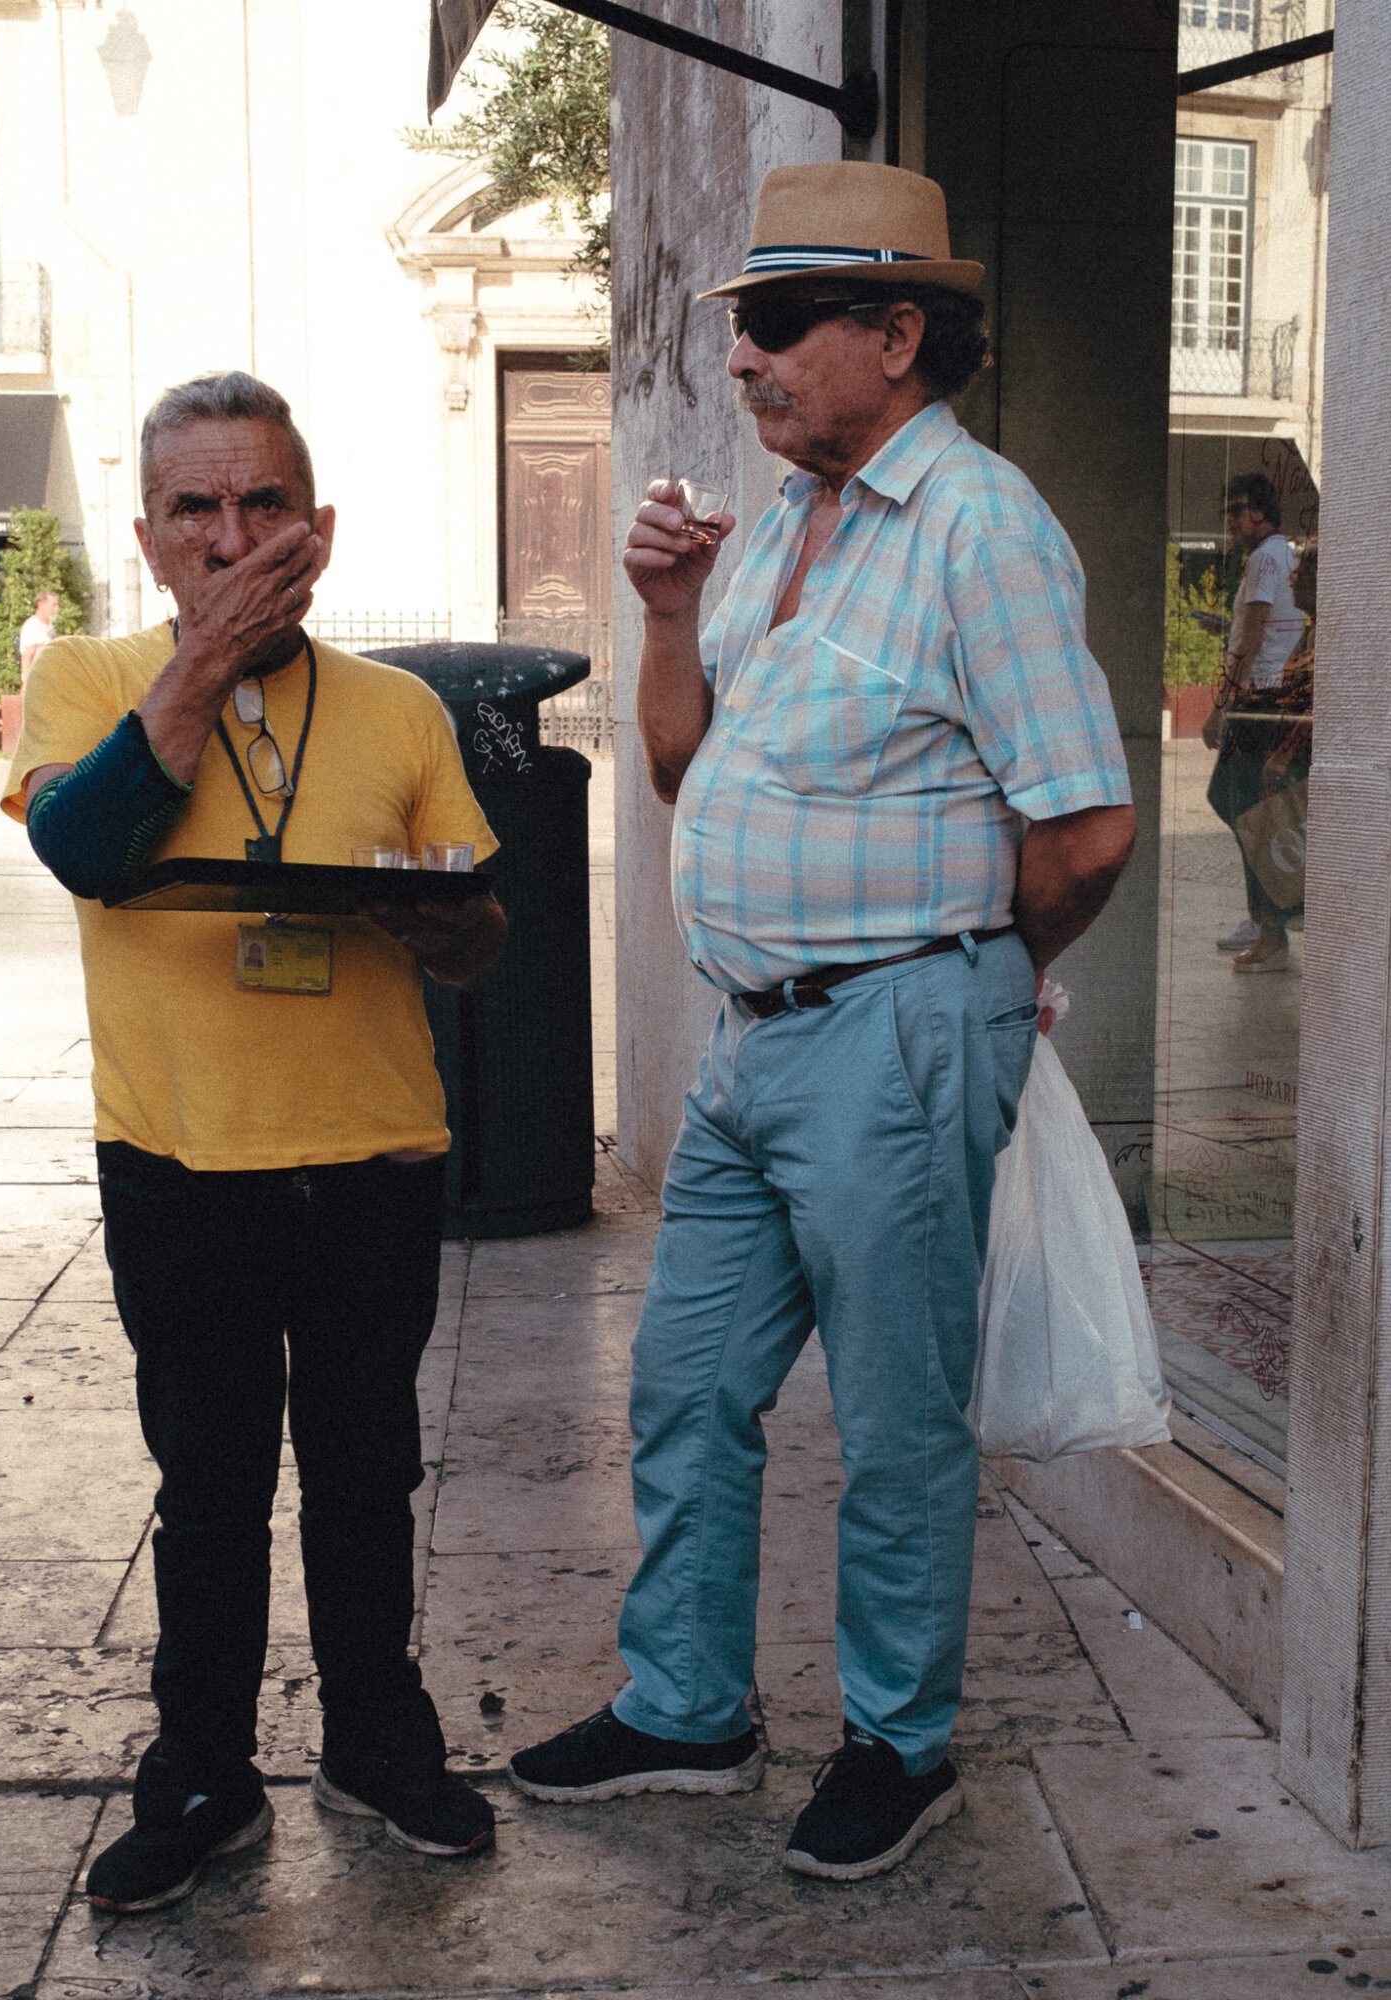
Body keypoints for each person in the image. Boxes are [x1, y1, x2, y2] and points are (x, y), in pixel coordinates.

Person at [508, 162, 1136, 1882]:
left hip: (893, 1033)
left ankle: (899, 1743)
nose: (750, 361)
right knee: (686, 1383)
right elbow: (678, 764)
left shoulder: (983, 530)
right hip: (751, 1042)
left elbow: (1086, 829)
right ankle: (688, 1706)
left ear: (898, 331)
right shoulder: (781, 519)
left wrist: (965, 989)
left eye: (782, 326)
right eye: (743, 327)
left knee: (894, 1418)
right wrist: (658, 614)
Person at [0, 372, 508, 1913]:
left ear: (320, 526)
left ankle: (377, 1739)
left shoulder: (402, 710)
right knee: (209, 1487)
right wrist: (205, 667)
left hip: (373, 1158)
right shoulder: (90, 680)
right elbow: (83, 847)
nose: (233, 536)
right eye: (197, 512)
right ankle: (203, 1774)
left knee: (367, 1471)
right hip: (180, 1160)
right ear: (150, 538)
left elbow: (482, 940)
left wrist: (444, 920)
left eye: (263, 504)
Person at [1203, 473, 1307, 972]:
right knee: (1243, 808)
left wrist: (1220, 705)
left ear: (1261, 513)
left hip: (1258, 702)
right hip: (1273, 698)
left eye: (1237, 509)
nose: (1229, 519)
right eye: (1225, 509)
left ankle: (1271, 925)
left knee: (1242, 807)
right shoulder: (1282, 554)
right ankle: (1269, 915)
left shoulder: (1265, 556)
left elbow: (1253, 636)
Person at [19, 589, 60, 685]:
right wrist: (27, 685)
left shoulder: (49, 626)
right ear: (41, 605)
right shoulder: (33, 626)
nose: (57, 609)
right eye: (54, 605)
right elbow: (27, 657)